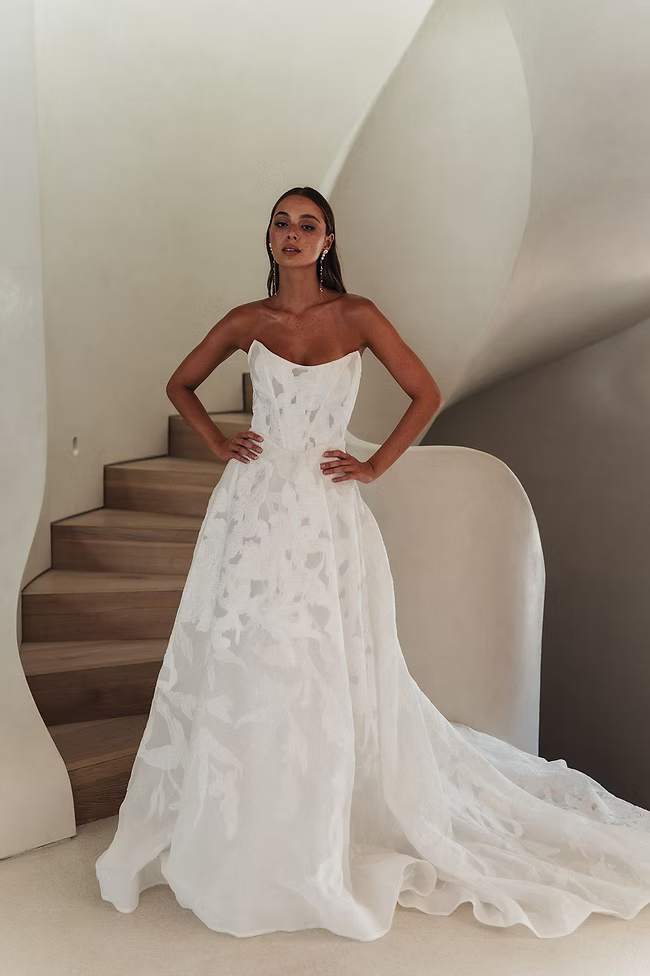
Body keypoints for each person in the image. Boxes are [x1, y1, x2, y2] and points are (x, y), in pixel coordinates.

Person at [95, 186, 650, 942]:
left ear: (328, 241)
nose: (292, 235)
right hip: (250, 513)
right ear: (270, 236)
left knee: (323, 657)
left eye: (308, 226)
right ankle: (244, 813)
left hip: (325, 516)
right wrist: (218, 442)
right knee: (247, 650)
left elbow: (424, 392)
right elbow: (180, 383)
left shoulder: (356, 315)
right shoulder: (246, 321)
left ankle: (314, 823)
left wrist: (375, 466)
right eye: (282, 223)